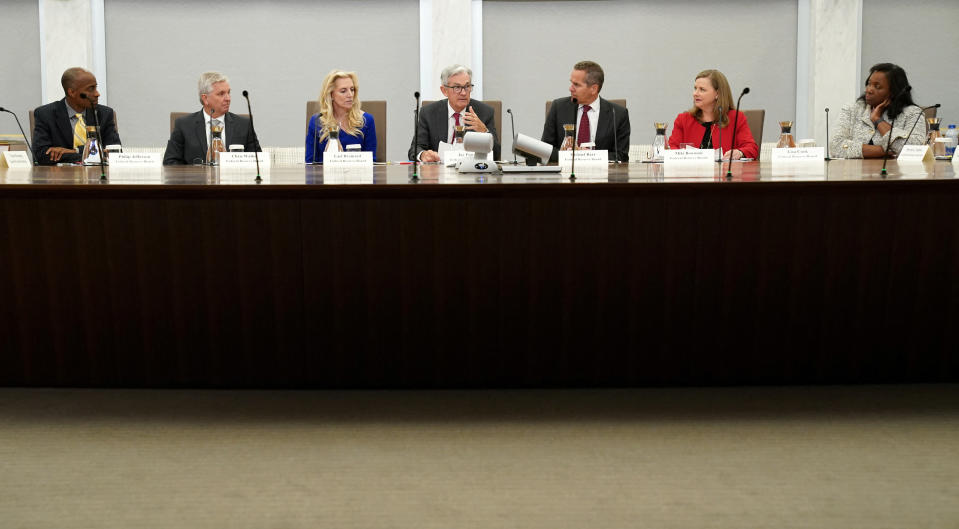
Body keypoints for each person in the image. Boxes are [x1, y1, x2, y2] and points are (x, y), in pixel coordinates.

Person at [163, 71, 260, 165]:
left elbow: (258, 161)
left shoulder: (244, 125)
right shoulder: (184, 125)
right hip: (197, 181)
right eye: (221, 94)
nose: (228, 98)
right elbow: (170, 163)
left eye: (228, 92)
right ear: (205, 99)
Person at [541, 60, 630, 163]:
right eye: (571, 83)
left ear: (593, 89)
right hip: (564, 175)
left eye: (576, 85)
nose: (570, 88)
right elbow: (545, 149)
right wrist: (574, 155)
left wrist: (588, 155)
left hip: (602, 176)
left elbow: (621, 156)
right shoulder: (558, 107)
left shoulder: (618, 114)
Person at [831, 63, 925, 159]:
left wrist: (878, 120)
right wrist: (883, 151)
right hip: (855, 172)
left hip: (894, 172)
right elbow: (836, 146)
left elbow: (915, 150)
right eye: (869, 84)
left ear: (894, 92)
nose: (869, 90)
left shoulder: (913, 113)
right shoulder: (852, 109)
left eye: (877, 86)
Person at [408, 64, 500, 162]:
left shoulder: (484, 112)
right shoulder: (429, 113)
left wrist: (484, 132)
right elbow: (415, 149)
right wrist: (423, 155)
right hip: (439, 174)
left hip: (472, 174)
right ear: (444, 91)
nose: (463, 93)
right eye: (457, 87)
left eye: (467, 86)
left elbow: (496, 154)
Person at [31, 67, 121, 165]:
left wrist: (74, 151)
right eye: (91, 89)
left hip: (97, 177)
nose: (97, 94)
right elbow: (41, 155)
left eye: (96, 87)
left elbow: (115, 153)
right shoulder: (45, 114)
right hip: (60, 178)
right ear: (72, 92)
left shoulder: (104, 114)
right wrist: (92, 154)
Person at [667, 69, 758, 160]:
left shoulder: (736, 118)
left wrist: (739, 153)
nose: (695, 93)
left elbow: (752, 148)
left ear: (717, 94)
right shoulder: (683, 119)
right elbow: (672, 149)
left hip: (724, 173)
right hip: (691, 173)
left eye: (702, 89)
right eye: (695, 88)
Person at [306, 70, 377, 163]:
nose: (350, 95)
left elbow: (372, 163)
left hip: (357, 176)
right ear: (331, 94)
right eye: (343, 91)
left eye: (352, 89)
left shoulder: (366, 121)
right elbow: (310, 164)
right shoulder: (317, 122)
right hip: (324, 176)